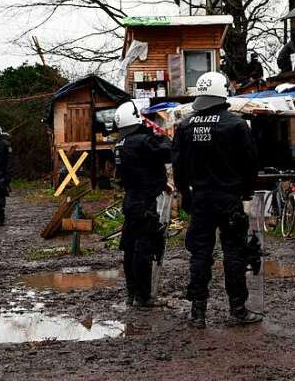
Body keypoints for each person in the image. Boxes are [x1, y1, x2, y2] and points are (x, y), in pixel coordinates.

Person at [173, 71, 261, 328]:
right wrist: (246, 193)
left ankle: (197, 312)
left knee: (199, 254)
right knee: (234, 252)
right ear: (223, 92)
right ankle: (237, 310)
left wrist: (185, 194)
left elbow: (178, 166)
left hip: (200, 199)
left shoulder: (184, 126)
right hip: (228, 199)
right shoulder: (236, 125)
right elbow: (250, 164)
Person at [111, 100, 172, 308]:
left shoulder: (120, 143)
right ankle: (143, 296)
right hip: (145, 202)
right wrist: (159, 134)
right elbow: (168, 151)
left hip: (131, 199)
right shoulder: (142, 141)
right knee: (143, 249)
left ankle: (131, 292)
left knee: (129, 247)